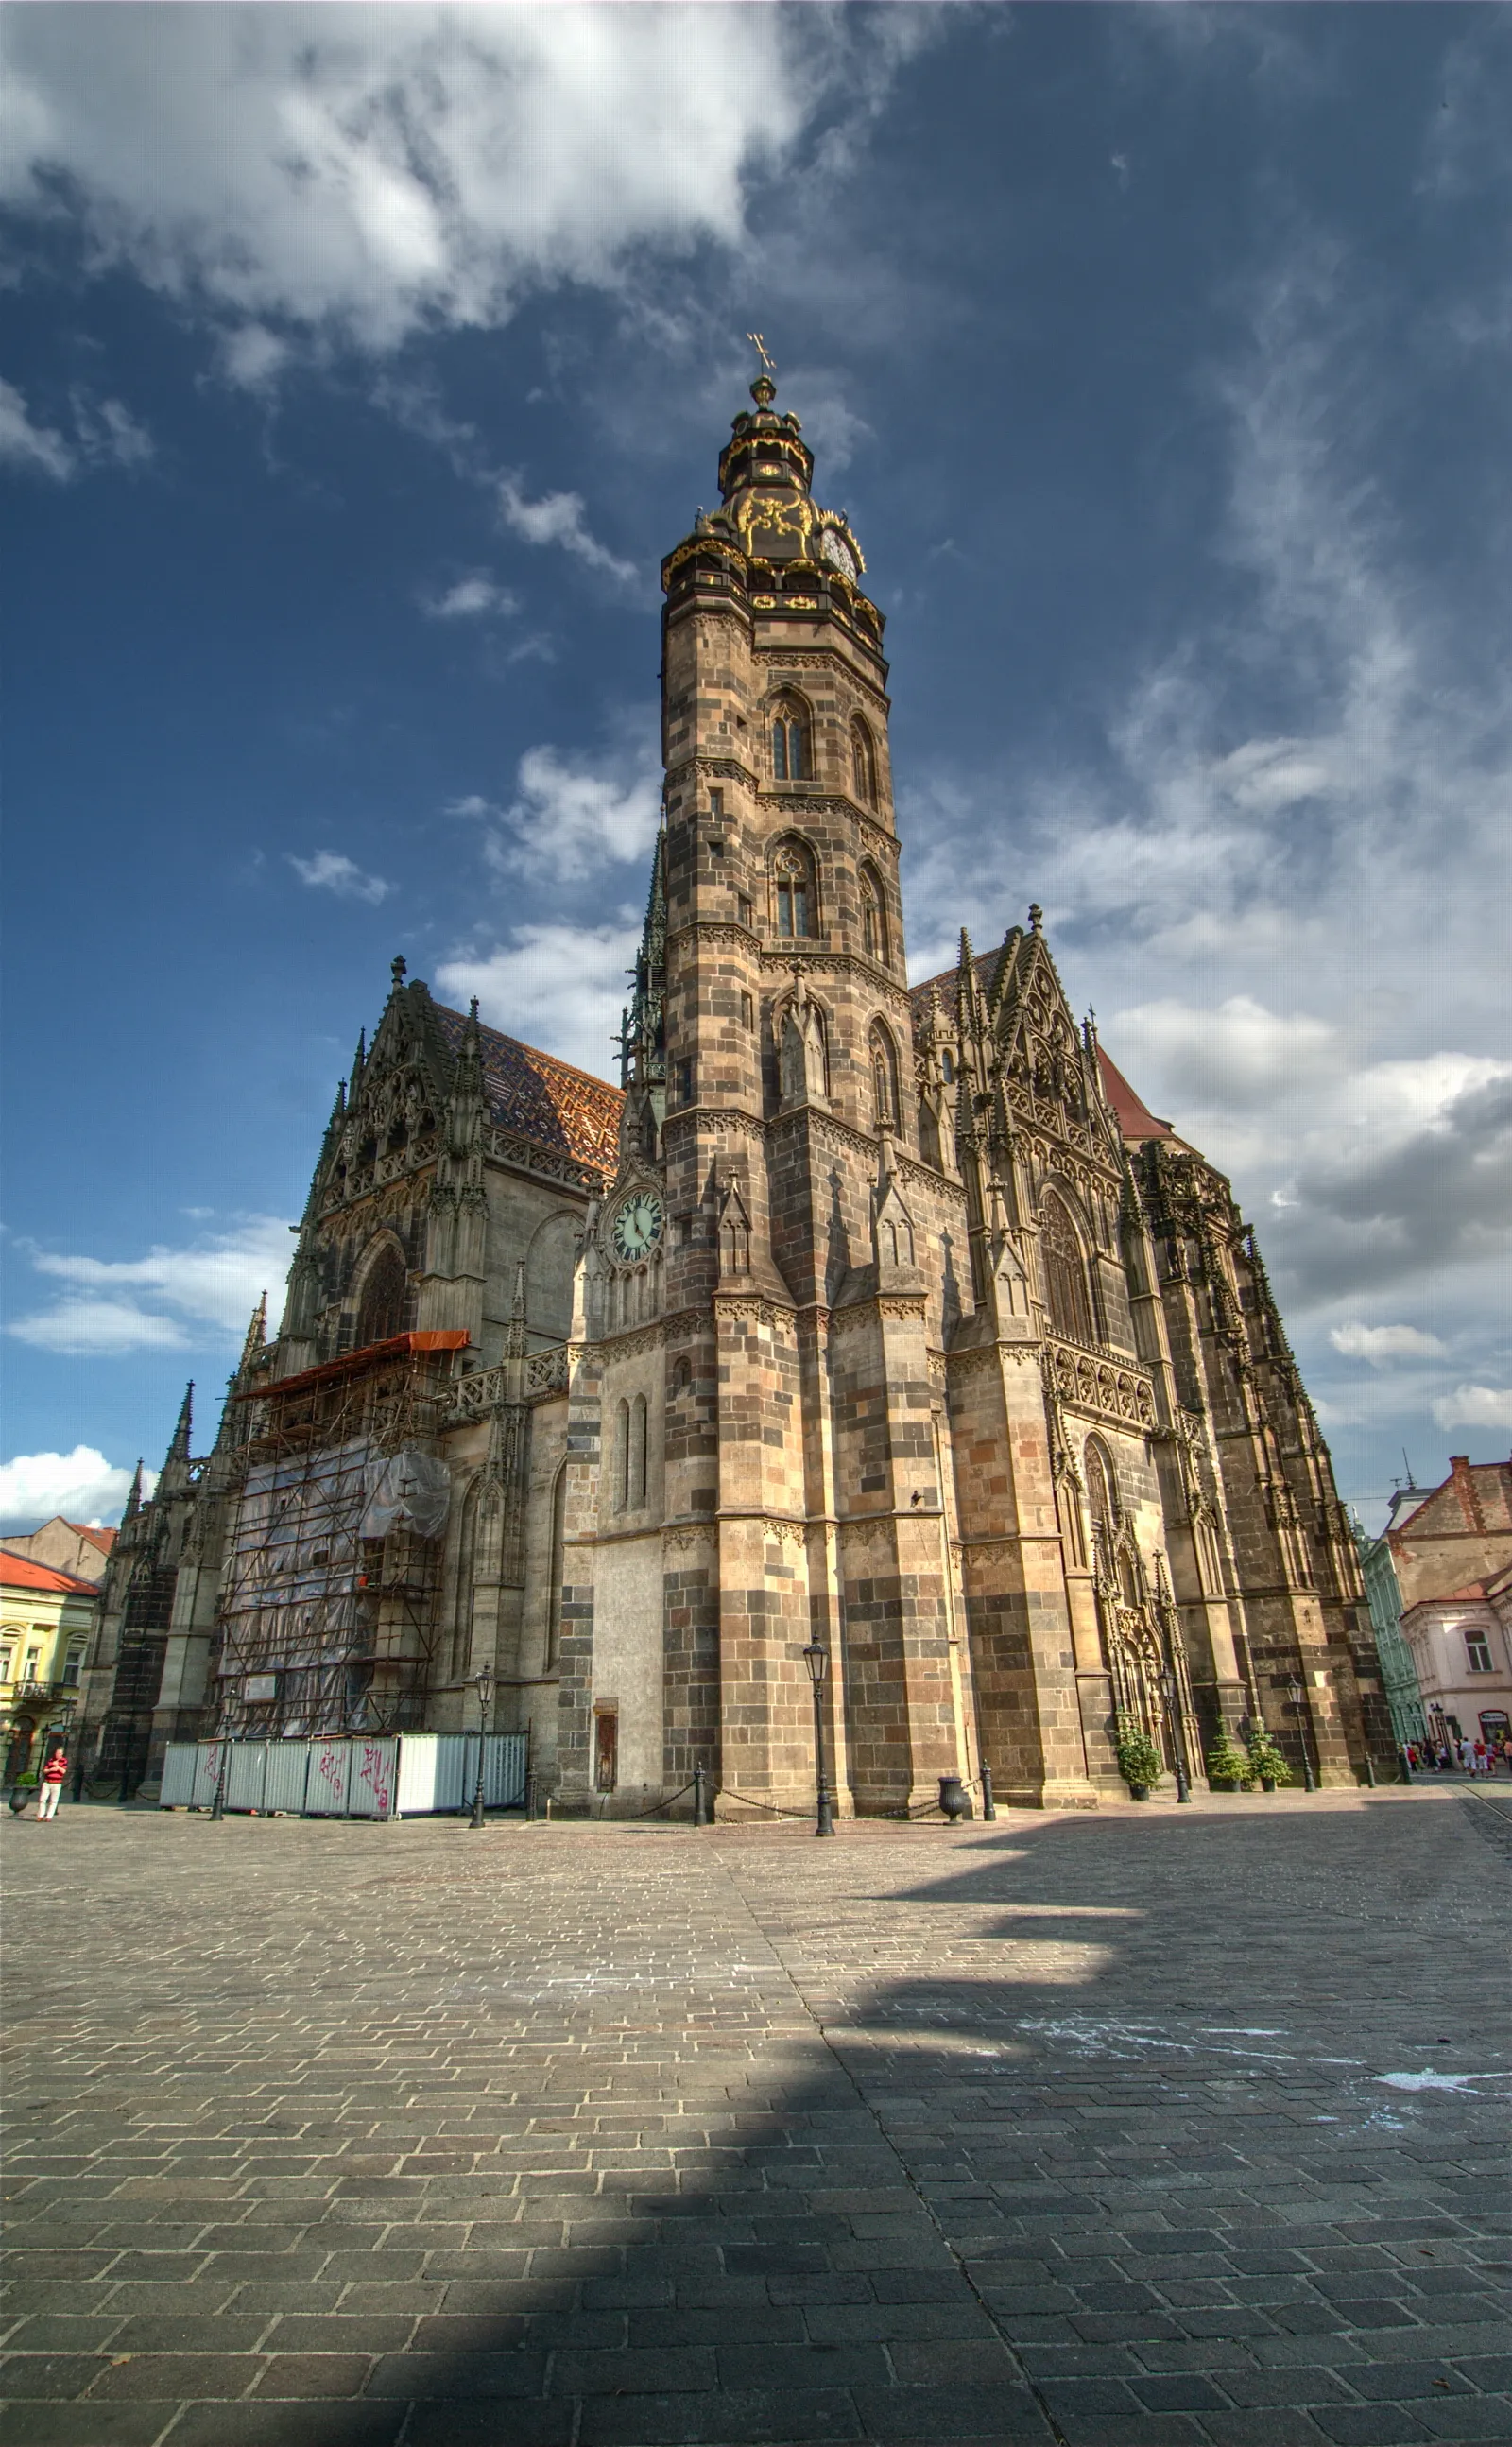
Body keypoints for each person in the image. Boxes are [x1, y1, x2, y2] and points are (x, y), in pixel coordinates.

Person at [36, 1747, 67, 1820]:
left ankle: (49, 1816)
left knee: (53, 1801)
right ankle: (40, 1815)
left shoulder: (64, 1761)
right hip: (47, 1782)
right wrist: (50, 1769)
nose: (57, 1754)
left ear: (62, 1754)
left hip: (57, 1783)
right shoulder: (50, 1760)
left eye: (59, 1753)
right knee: (42, 1799)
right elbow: (45, 1770)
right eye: (57, 1753)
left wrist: (57, 1766)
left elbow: (63, 1771)